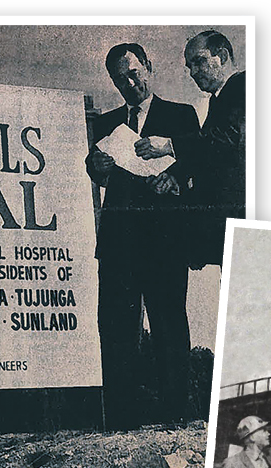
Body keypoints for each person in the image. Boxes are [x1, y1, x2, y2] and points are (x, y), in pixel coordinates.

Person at [85, 43, 201, 429]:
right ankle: (122, 419)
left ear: (148, 67)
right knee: (117, 326)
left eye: (134, 74)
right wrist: (96, 165)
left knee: (169, 323)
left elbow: (197, 161)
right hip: (118, 242)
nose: (130, 84)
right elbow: (95, 170)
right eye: (121, 80)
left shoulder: (180, 115)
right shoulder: (106, 124)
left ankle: (175, 415)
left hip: (165, 240)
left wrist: (175, 177)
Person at [135, 30, 245, 268]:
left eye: (199, 61)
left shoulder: (244, 86)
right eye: (189, 66)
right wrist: (175, 176)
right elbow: (211, 153)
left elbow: (228, 138)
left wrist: (169, 145)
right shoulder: (219, 98)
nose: (193, 72)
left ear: (222, 56)